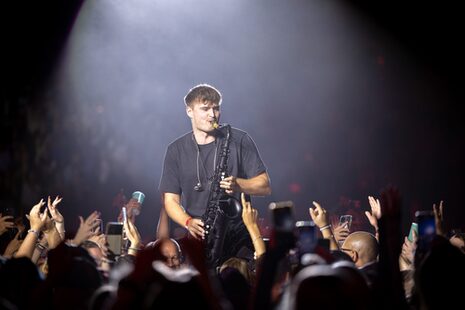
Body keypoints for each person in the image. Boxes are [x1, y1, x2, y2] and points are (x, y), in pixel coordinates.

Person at [159, 83, 271, 267]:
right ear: (189, 111)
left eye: (216, 108)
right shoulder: (175, 150)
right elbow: (170, 201)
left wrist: (239, 184)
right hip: (202, 239)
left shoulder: (239, 140)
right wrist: (187, 221)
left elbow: (265, 185)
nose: (212, 115)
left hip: (239, 237)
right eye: (205, 109)